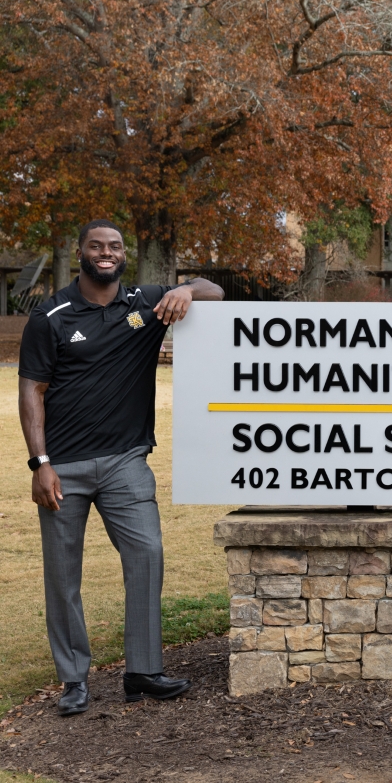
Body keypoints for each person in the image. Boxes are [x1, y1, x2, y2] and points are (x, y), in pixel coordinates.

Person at [18, 219, 224, 715]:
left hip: (126, 460)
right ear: (81, 251)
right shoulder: (51, 315)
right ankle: (73, 681)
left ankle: (143, 671)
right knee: (63, 577)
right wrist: (40, 463)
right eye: (96, 246)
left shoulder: (145, 302)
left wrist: (185, 291)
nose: (106, 253)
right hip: (62, 468)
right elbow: (32, 391)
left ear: (123, 253)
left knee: (147, 554)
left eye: (114, 246)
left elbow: (214, 291)